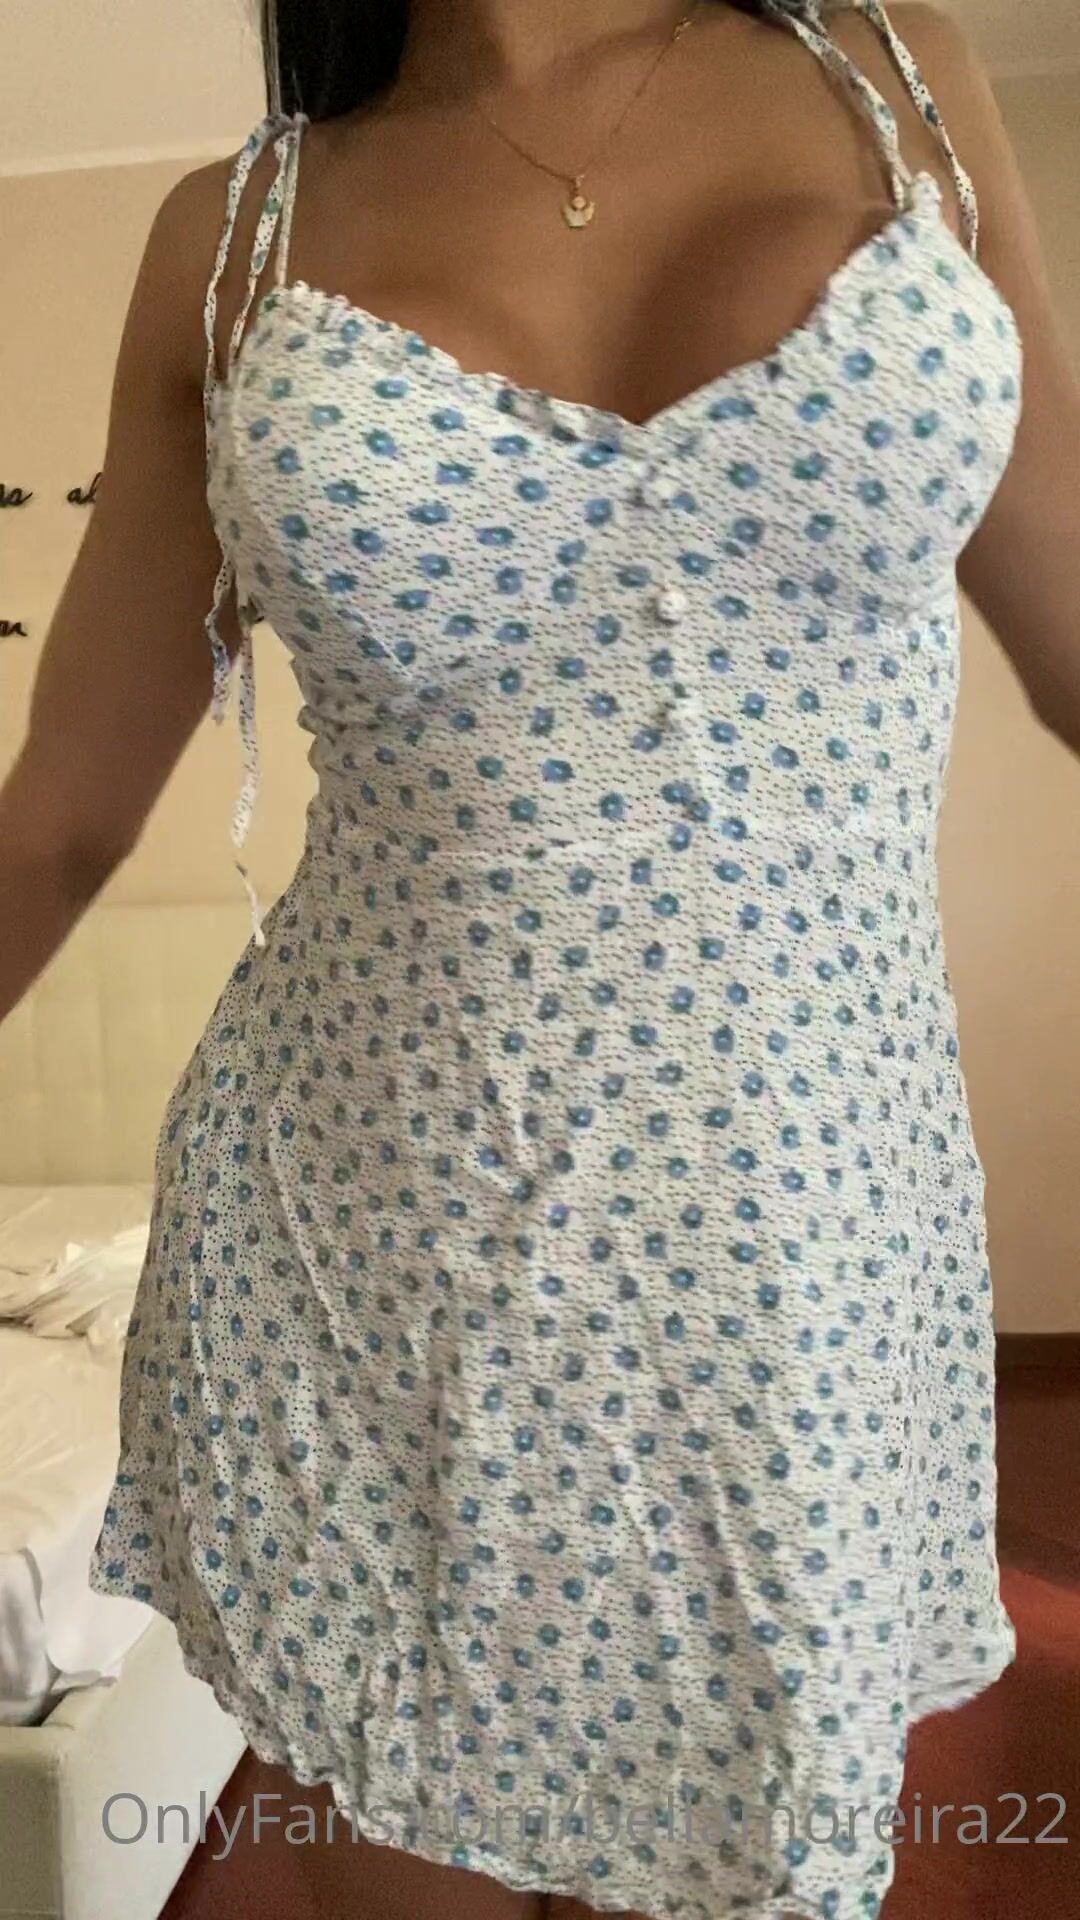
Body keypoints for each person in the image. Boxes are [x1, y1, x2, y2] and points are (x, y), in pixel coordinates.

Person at [2, 0, 1078, 1914]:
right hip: (376, 1271)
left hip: (802, 1274)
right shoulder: (232, 237)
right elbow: (57, 824)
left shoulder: (892, 73)